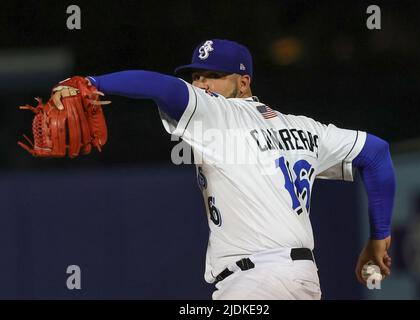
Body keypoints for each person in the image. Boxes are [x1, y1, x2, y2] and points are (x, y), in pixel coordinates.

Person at [51, 39, 396, 300]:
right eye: (197, 76)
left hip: (256, 282)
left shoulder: (218, 114)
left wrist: (91, 82)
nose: (201, 84)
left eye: (214, 76)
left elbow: (162, 87)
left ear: (243, 83)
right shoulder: (306, 128)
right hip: (300, 279)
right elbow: (377, 154)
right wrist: (379, 239)